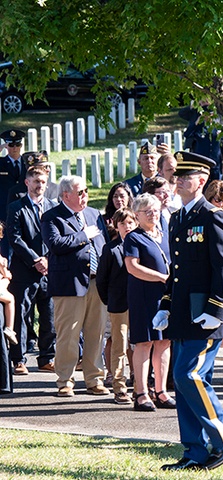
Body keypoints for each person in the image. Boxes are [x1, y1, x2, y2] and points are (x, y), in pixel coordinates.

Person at [154, 150, 223, 471]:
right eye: (176, 175)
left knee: (186, 374)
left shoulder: (214, 216)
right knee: (184, 381)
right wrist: (165, 305)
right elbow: (177, 269)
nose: (177, 180)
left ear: (202, 181)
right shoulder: (178, 218)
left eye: (185, 176)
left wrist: (218, 309)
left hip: (206, 316)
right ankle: (195, 452)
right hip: (182, 315)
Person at [42, 175, 109, 398]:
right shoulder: (52, 217)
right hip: (69, 285)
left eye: (86, 191)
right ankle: (65, 381)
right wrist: (83, 236)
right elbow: (56, 245)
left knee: (95, 334)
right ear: (65, 195)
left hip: (95, 283)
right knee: (68, 336)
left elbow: (103, 245)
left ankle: (94, 379)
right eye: (80, 192)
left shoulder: (92, 214)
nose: (85, 196)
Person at [6, 160, 56, 375]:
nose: (39, 185)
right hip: (25, 270)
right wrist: (36, 259)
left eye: (43, 182)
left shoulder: (53, 207)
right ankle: (19, 359)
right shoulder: (16, 207)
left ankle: (47, 357)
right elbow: (15, 238)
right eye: (36, 181)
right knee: (22, 316)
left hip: (49, 270)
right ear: (27, 182)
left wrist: (47, 260)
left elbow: (58, 237)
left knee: (49, 316)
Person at [124, 194, 174, 412]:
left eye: (156, 210)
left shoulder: (164, 234)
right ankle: (141, 392)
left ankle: (161, 390)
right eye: (148, 212)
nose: (154, 214)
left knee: (164, 342)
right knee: (144, 343)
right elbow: (132, 267)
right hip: (144, 295)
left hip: (165, 296)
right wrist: (161, 277)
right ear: (137, 215)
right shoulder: (133, 238)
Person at [96, 208, 137, 406]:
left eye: (130, 223)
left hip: (139, 304)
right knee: (119, 346)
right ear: (116, 226)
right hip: (118, 304)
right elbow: (101, 280)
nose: (127, 227)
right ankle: (120, 387)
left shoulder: (143, 245)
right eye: (123, 224)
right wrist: (109, 300)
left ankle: (140, 385)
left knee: (139, 346)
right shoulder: (111, 249)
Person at [183, 112, 223, 181]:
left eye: (210, 115)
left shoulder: (218, 128)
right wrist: (196, 123)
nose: (208, 117)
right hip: (201, 163)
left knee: (216, 184)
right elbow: (187, 134)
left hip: (215, 163)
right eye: (206, 115)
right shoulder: (198, 128)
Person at [0, 129, 26, 208]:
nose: (15, 148)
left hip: (24, 205)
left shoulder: (27, 163)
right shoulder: (1, 163)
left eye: (17, 144)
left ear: (21, 145)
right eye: (11, 145)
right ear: (6, 146)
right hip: (4, 206)